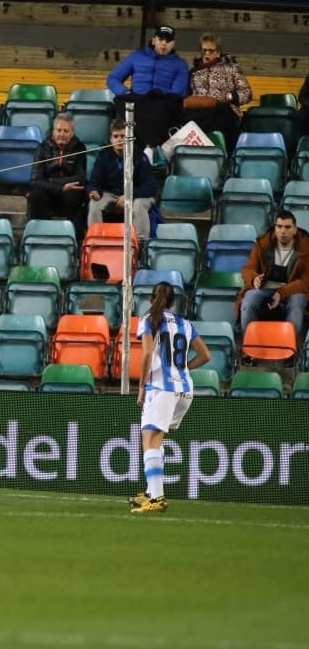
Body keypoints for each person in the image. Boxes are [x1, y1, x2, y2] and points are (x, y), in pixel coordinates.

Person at [130, 281, 210, 513]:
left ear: (152, 298)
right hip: (184, 389)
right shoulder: (185, 324)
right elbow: (205, 355)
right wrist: (184, 368)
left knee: (150, 440)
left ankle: (157, 498)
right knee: (156, 438)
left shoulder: (148, 320)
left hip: (160, 388)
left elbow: (146, 353)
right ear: (173, 301)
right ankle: (150, 493)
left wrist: (142, 385)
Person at [106, 25, 189, 150]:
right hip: (137, 99)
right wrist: (125, 91)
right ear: (154, 40)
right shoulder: (137, 56)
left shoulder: (180, 64)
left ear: (173, 44)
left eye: (168, 41)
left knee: (166, 107)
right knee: (120, 102)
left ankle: (151, 148)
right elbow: (113, 78)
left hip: (161, 101)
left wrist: (157, 94)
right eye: (161, 40)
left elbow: (177, 93)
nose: (164, 44)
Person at [237, 211, 309, 343]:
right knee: (249, 300)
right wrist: (254, 279)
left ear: (295, 230)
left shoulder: (306, 247)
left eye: (287, 227)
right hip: (265, 288)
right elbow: (248, 268)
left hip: (293, 290)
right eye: (279, 226)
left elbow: (305, 281)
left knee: (297, 304)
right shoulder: (263, 244)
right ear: (275, 228)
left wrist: (282, 293)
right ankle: (249, 347)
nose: (283, 231)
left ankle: (291, 349)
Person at [182, 32, 252, 151]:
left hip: (224, 111)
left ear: (218, 52)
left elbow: (247, 93)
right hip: (201, 111)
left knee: (222, 110)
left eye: (211, 50)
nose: (207, 54)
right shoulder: (194, 72)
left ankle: (225, 154)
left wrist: (230, 96)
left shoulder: (231, 68)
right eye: (204, 50)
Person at [87, 120, 156, 239]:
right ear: (111, 139)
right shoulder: (104, 155)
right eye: (116, 136)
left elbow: (150, 187)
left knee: (138, 206)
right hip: (111, 193)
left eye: (123, 136)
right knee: (94, 205)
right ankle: (95, 240)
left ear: (130, 138)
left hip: (138, 194)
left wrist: (130, 194)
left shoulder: (140, 157)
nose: (119, 140)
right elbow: (94, 182)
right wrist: (94, 191)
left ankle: (140, 244)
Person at [27, 112, 89, 237]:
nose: (61, 134)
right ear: (53, 131)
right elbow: (35, 180)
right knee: (36, 194)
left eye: (65, 131)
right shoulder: (42, 148)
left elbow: (80, 178)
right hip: (48, 190)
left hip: (70, 191)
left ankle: (74, 239)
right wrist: (61, 187)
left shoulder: (79, 148)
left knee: (75, 194)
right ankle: (38, 235)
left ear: (72, 133)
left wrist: (53, 182)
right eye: (58, 130)